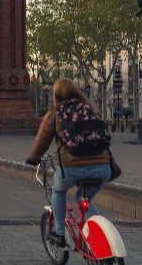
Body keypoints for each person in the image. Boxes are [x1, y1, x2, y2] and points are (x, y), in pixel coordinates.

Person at [24, 79, 112, 250]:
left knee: (58, 191)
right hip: (103, 167)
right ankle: (101, 239)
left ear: (56, 95)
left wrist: (32, 158)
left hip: (72, 168)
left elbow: (42, 142)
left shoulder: (55, 113)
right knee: (84, 199)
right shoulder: (89, 109)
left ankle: (60, 233)